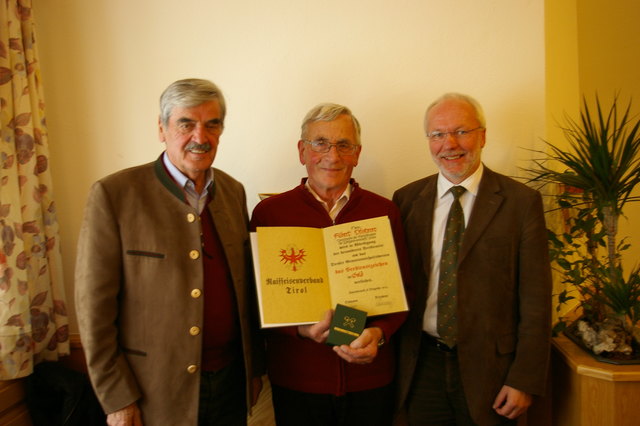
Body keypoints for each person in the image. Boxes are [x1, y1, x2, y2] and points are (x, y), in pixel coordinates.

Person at [75, 78, 264, 426]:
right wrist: (116, 397)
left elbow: (247, 291)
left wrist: (253, 371)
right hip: (151, 392)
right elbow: (93, 310)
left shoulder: (233, 192)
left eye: (212, 125)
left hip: (229, 384)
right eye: (186, 124)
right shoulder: (114, 195)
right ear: (161, 129)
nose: (200, 137)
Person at [393, 93, 551, 426]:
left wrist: (524, 379)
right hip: (422, 367)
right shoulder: (406, 200)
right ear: (428, 141)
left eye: (461, 131)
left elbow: (536, 301)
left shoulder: (521, 203)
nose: (449, 144)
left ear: (483, 135)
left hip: (493, 371)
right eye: (438, 134)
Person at [250, 103, 411, 426]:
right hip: (298, 380)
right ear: (302, 151)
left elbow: (404, 293)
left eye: (344, 145)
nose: (332, 156)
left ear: (357, 153)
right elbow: (256, 301)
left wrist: (379, 334)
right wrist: (300, 330)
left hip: (371, 380)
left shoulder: (384, 212)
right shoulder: (270, 213)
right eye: (320, 143)